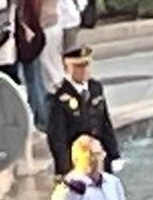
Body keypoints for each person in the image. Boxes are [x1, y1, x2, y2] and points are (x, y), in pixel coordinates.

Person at [46, 47, 118, 175]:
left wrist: (114, 154)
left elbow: (105, 124)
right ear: (67, 68)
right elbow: (58, 137)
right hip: (77, 162)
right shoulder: (59, 96)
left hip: (98, 159)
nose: (84, 70)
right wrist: (65, 169)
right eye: (78, 66)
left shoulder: (95, 88)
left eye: (86, 65)